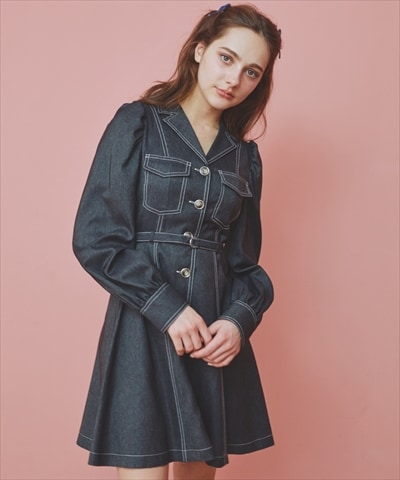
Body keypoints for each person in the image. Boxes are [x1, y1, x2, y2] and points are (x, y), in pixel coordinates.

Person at [73, 3, 282, 479]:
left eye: (251, 72)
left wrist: (237, 321)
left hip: (211, 338)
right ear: (200, 50)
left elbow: (245, 265)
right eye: (227, 58)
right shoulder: (137, 124)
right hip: (143, 328)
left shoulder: (245, 158)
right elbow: (96, 238)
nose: (234, 79)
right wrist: (167, 308)